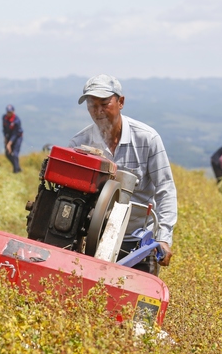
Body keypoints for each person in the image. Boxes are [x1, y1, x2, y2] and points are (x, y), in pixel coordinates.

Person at [69, 74, 178, 274]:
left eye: (104, 103)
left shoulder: (147, 139)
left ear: (121, 102)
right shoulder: (79, 145)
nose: (98, 111)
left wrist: (163, 238)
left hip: (138, 242)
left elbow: (165, 190)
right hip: (94, 241)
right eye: (92, 105)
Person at [2, 104, 23, 173]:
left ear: (13, 112)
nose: (9, 113)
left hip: (17, 137)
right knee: (8, 154)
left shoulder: (17, 121)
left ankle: (16, 171)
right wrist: (5, 138)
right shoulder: (4, 118)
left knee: (15, 154)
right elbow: (4, 129)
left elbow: (15, 134)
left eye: (10, 112)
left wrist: (9, 144)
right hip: (9, 136)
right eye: (8, 112)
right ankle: (17, 167)